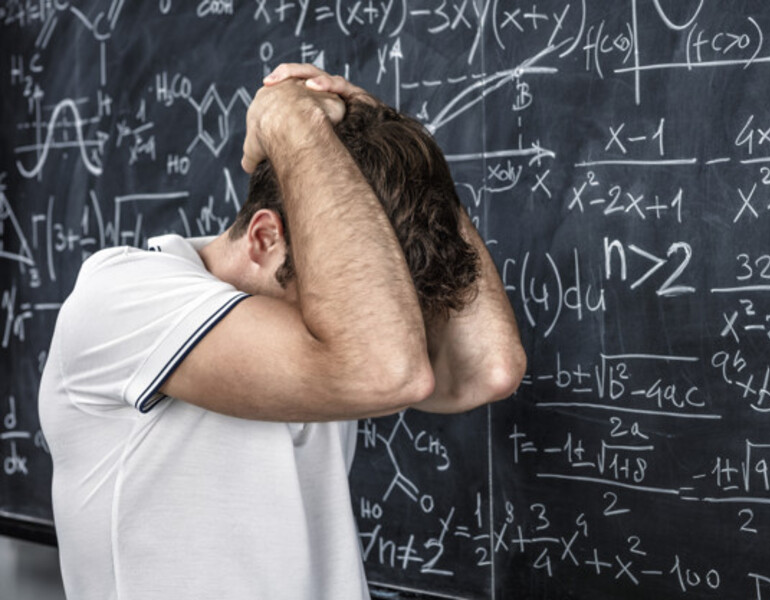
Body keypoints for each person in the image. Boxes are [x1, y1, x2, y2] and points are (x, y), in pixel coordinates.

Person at [38, 63, 526, 600]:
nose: (375, 307)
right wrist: (288, 117)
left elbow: (488, 369)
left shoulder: (346, 341)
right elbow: (385, 369)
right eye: (356, 277)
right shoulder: (124, 295)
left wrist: (396, 142)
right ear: (265, 237)